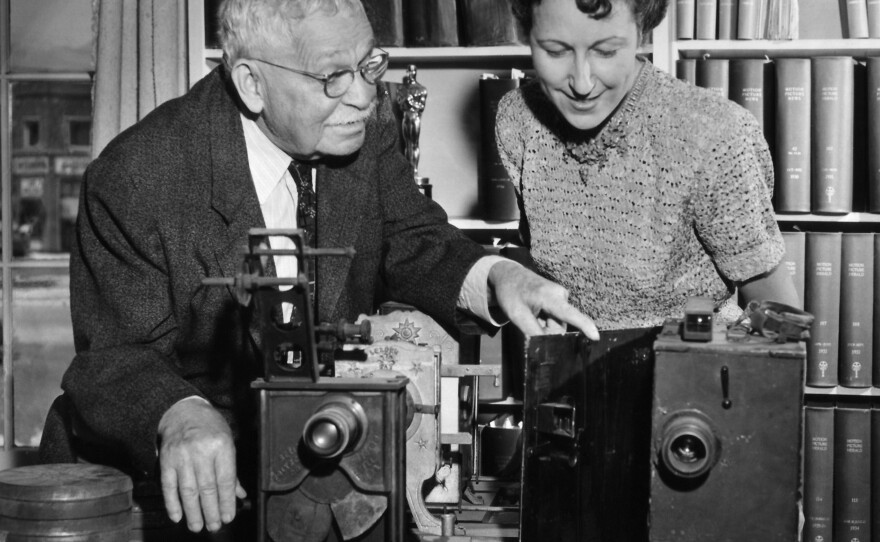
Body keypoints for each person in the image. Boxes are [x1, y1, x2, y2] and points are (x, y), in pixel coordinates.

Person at [37, 0, 599, 536]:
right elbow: (114, 356)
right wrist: (178, 412)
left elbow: (416, 239)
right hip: (167, 491)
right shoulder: (135, 176)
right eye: (333, 76)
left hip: (317, 472)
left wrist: (500, 277)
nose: (364, 95)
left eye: (368, 64)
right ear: (253, 84)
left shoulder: (364, 130)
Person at [499, 0, 800, 331]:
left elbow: (781, 328)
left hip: (690, 367)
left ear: (641, 32)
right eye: (555, 51)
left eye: (607, 51)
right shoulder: (518, 119)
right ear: (527, 35)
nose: (582, 84)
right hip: (570, 366)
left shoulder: (713, 132)